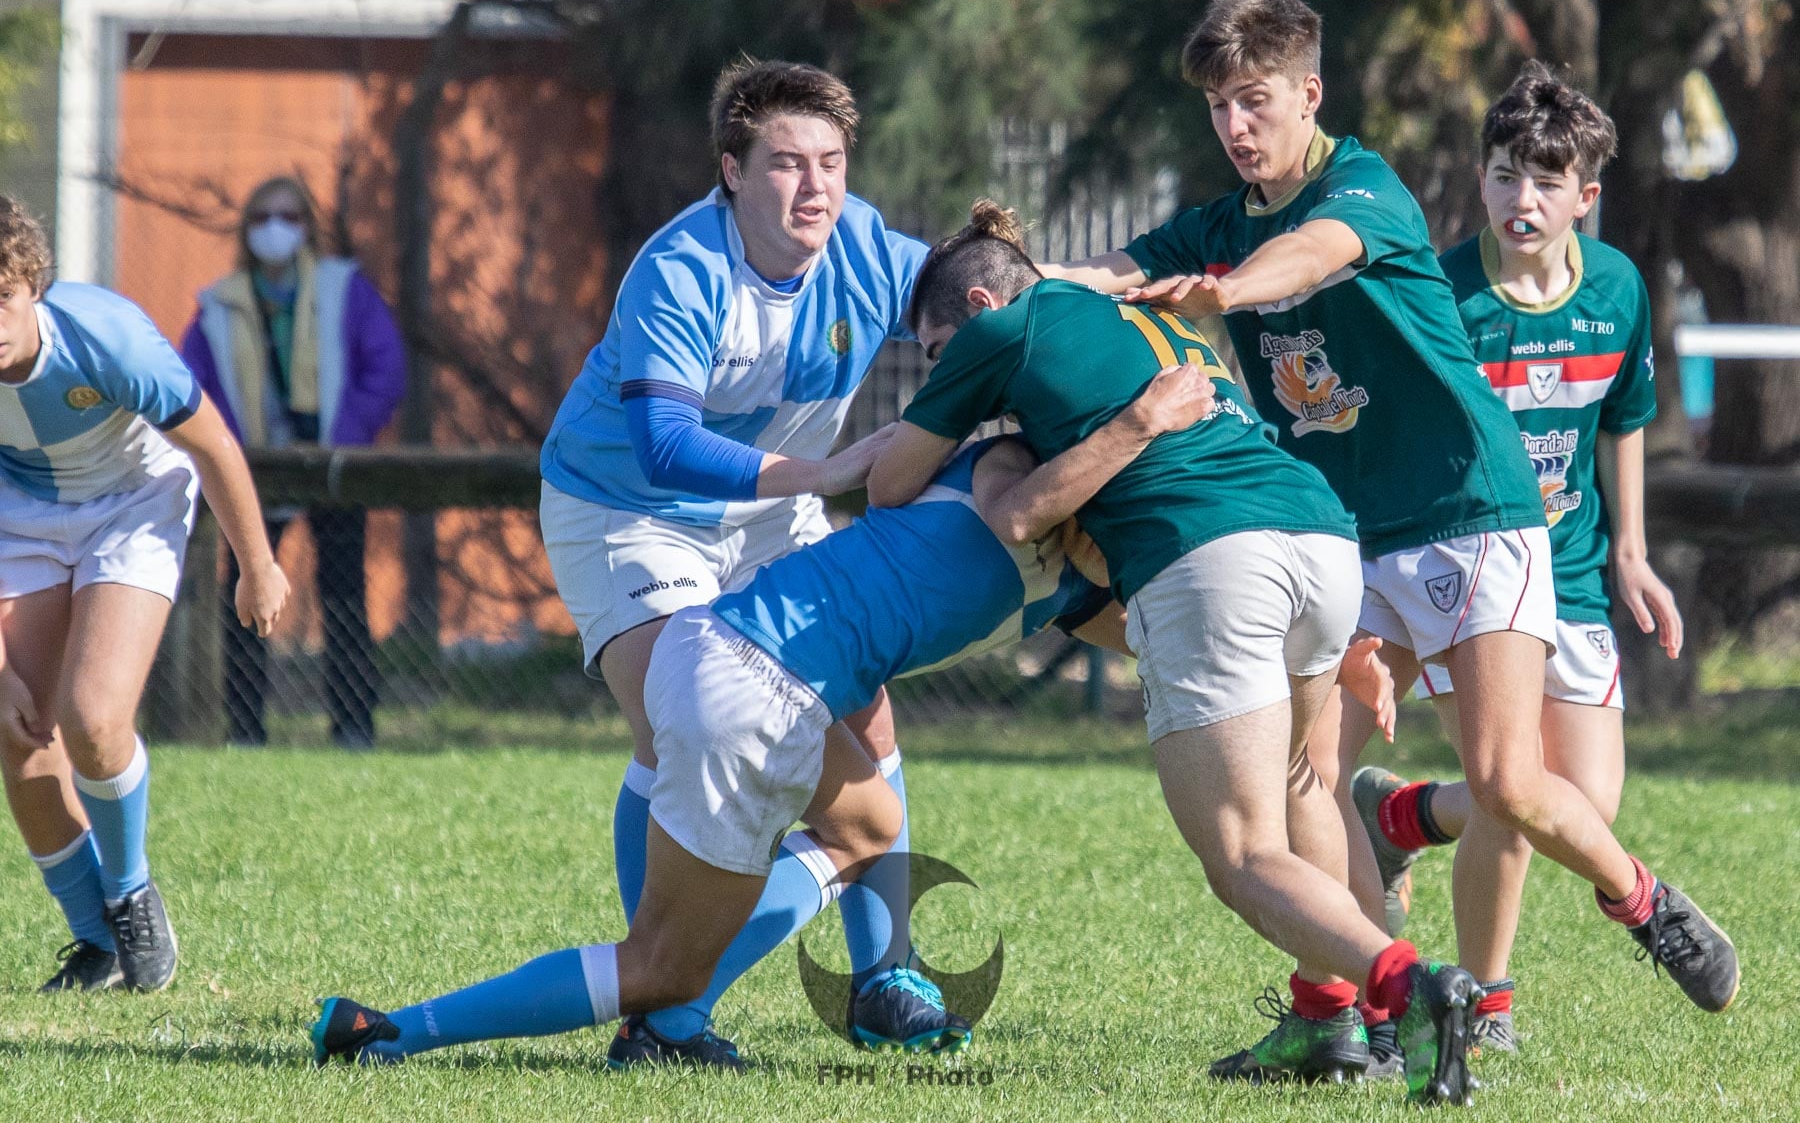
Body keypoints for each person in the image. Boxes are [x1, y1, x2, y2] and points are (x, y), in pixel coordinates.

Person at [1033, 0, 1738, 1077]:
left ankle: (1642, 900)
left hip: (1470, 510)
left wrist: (1228, 292)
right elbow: (1105, 274)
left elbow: (1309, 259)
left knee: (1505, 782)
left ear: (1309, 93)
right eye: (1218, 105)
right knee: (1305, 779)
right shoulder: (1217, 224)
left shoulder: (1363, 188)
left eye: (1255, 99)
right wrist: (1016, 281)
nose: (1236, 125)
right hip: (1350, 537)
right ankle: (1352, 1011)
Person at [312, 364, 1315, 1066]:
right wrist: (1141, 421)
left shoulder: (1075, 563)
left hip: (738, 658)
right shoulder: (1012, 473)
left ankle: (724, 1003)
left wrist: (1316, 651)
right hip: (750, 682)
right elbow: (1020, 505)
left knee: (870, 825)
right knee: (656, 967)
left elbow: (1168, 633)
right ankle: (394, 1033)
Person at [868, 203, 1481, 1106]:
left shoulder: (1001, 330)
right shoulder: (1126, 316)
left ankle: (1410, 989)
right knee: (1302, 781)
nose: (939, 369)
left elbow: (891, 485)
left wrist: (977, 442)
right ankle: (1325, 1018)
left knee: (1242, 856)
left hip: (1212, 557)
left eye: (936, 349)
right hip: (1318, 535)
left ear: (983, 303)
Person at [535, 57, 946, 1063]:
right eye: (786, 164)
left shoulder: (863, 245)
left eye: (832, 163)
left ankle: (885, 976)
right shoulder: (681, 268)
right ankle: (664, 1001)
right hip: (630, 516)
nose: (815, 187)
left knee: (866, 709)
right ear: (732, 170)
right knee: (681, 736)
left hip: (772, 513)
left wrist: (1103, 294)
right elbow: (663, 448)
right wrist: (828, 470)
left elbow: (981, 299)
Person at [1352, 63, 1704, 1056]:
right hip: (1463, 571)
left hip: (1572, 570)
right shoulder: (1441, 296)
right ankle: (1487, 1006)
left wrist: (1631, 552)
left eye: (1547, 183)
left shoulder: (1619, 289)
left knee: (1580, 804)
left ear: (1585, 196)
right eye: (1506, 175)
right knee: (1512, 791)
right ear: (1481, 179)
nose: (1523, 199)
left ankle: (1404, 816)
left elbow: (1626, 417)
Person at [0, 196, 289, 993]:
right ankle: (97, 944)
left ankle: (129, 892)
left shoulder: (105, 335)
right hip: (20, 515)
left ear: (33, 286)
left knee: (93, 719)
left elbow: (213, 442)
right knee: (17, 728)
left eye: (2, 295)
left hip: (131, 502)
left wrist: (257, 564)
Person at [181, 176, 406, 749]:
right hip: (252, 466)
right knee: (247, 594)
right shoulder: (218, 305)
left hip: (334, 459)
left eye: (288, 215)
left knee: (345, 593)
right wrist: (229, 449)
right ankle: (245, 731)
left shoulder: (344, 288)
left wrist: (346, 436)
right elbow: (192, 386)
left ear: (308, 225)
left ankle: (354, 728)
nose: (275, 228)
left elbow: (385, 368)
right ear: (245, 229)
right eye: (262, 217)